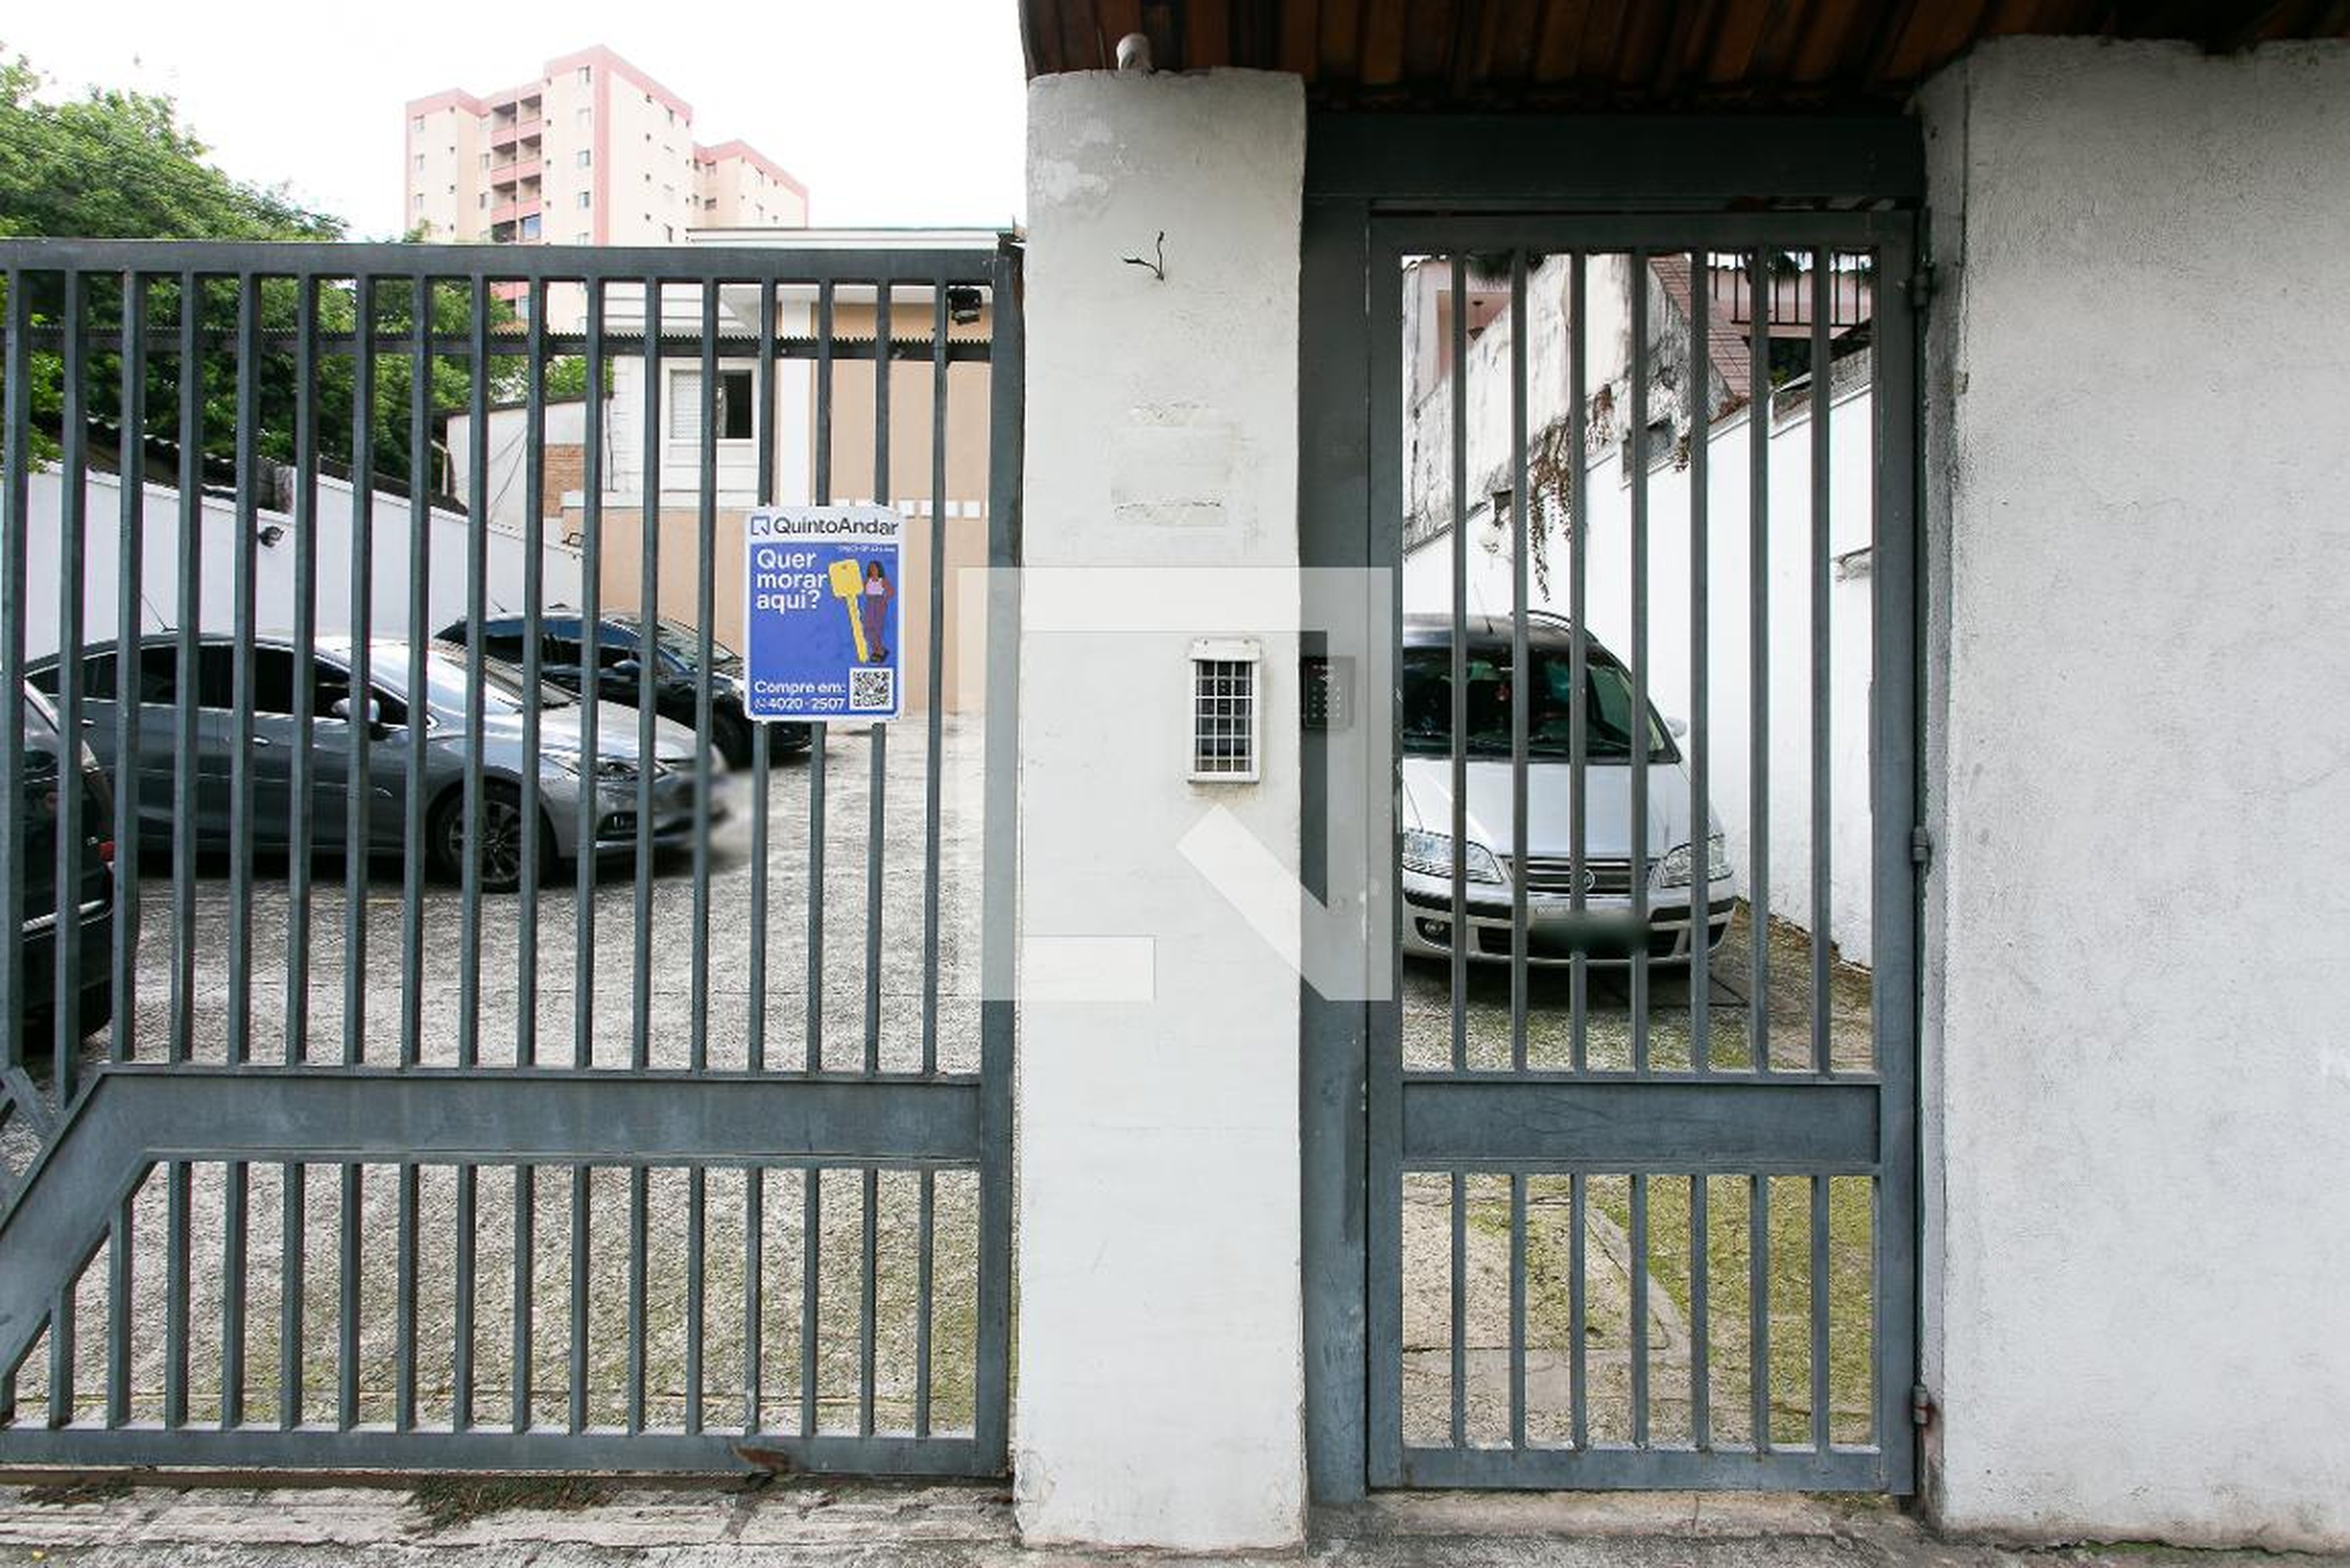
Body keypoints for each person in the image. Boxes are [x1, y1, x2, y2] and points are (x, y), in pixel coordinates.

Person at [859, 560, 893, 664]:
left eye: (875, 568)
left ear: (879, 569)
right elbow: (860, 589)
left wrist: (884, 600)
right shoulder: (867, 581)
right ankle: (879, 650)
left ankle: (878, 652)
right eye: (871, 568)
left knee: (877, 628)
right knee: (867, 628)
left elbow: (891, 592)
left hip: (879, 603)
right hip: (870, 603)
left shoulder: (882, 581)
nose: (873, 570)